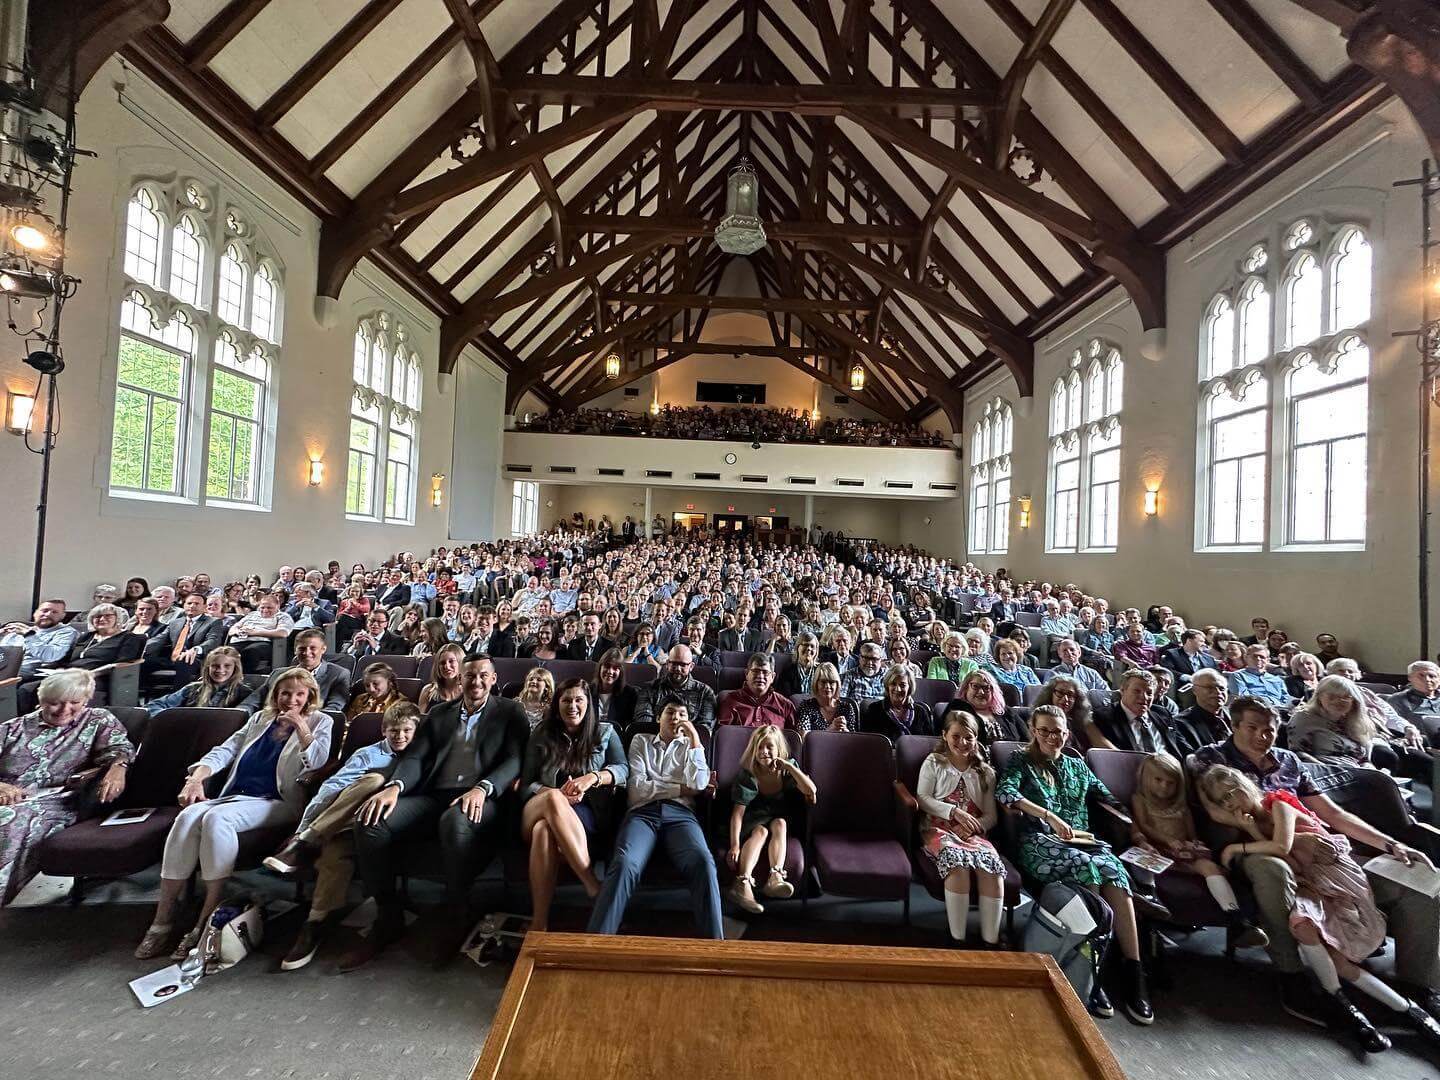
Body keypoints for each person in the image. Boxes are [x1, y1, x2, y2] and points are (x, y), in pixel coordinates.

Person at [1188, 697, 1440, 1024]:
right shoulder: (1212, 759)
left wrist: (1391, 845)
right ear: (1233, 725)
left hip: (1316, 853)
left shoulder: (1288, 762)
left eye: (1270, 729)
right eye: (1252, 728)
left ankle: (1417, 985)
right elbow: (1212, 810)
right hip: (1255, 848)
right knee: (1273, 867)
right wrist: (1246, 836)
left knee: (1417, 883)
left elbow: (1332, 813)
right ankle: (1291, 975)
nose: (1262, 736)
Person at [1200, 765, 1440, 1053]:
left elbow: (1281, 846)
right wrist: (1248, 829)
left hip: (1334, 874)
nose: (1232, 803)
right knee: (1305, 928)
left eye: (1233, 793)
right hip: (1309, 883)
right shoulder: (1251, 824)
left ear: (1246, 786)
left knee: (1340, 946)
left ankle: (1412, 1011)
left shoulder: (1278, 803)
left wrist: (1237, 848)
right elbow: (1290, 865)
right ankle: (1342, 1002)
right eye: (1224, 801)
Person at [345, 653, 528, 970]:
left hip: (483, 798)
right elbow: (415, 756)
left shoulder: (510, 712)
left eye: (484, 675)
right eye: (470, 676)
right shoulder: (438, 714)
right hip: (434, 795)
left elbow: (515, 760)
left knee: (454, 822)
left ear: (494, 679)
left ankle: (456, 912)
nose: (477, 682)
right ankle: (388, 916)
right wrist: (395, 786)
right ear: (461, 679)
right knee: (370, 819)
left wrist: (483, 788)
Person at [134, 668, 333, 960]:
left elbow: (317, 762)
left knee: (216, 819)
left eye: (299, 694)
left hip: (278, 801)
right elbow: (224, 751)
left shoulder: (320, 721)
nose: (291, 700)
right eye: (285, 693)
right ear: (275, 694)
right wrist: (196, 779)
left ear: (309, 697)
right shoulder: (259, 719)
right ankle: (162, 919)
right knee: (188, 817)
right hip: (238, 796)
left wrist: (302, 727)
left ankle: (206, 916)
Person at [996, 705, 1153, 1024]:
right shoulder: (1020, 761)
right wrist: (1047, 815)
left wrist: (1135, 827)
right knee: (1088, 869)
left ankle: (1133, 970)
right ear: (1033, 730)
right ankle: (1093, 969)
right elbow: (1006, 791)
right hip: (1040, 843)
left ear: (1067, 733)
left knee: (1114, 871)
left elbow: (1106, 797)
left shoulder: (1077, 766)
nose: (1053, 737)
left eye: (1059, 731)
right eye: (1045, 731)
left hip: (1082, 840)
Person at [264, 702, 422, 970]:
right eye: (394, 730)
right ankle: (315, 923)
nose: (400, 736)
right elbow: (332, 788)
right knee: (336, 852)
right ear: (384, 730)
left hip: (390, 822)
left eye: (407, 730)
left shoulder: (421, 755)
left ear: (416, 731)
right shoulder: (368, 754)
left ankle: (306, 844)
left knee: (376, 782)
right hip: (347, 822)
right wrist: (304, 827)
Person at [586, 700, 723, 939]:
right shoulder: (641, 740)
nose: (676, 718)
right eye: (670, 712)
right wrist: (680, 788)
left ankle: (716, 944)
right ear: (659, 717)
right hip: (642, 813)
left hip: (681, 816)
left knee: (704, 861)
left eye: (682, 714)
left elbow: (699, 784)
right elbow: (637, 789)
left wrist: (695, 740)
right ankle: (597, 939)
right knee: (625, 862)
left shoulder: (690, 747)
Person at [0, 669, 134, 905]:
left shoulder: (97, 720)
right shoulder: (12, 728)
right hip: (7, 794)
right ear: (41, 701)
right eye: (55, 703)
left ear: (87, 700)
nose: (64, 710)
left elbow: (120, 748)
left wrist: (118, 767)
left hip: (57, 801)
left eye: (75, 703)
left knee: (10, 820)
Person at [520, 679, 627, 930]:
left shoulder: (605, 732)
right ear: (557, 704)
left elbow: (623, 770)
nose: (572, 706)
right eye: (566, 700)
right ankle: (592, 885)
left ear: (588, 704)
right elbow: (526, 784)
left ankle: (539, 922)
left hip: (582, 820)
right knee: (553, 801)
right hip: (535, 808)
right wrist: (552, 793)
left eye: (579, 700)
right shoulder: (542, 733)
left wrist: (593, 778)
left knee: (543, 832)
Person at [1130, 753, 1266, 949]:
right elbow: (1144, 826)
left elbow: (1191, 832)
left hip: (1184, 852)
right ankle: (1151, 903)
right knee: (1143, 863)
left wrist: (1194, 843)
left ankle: (1237, 920)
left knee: (1210, 868)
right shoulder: (1140, 800)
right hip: (1159, 850)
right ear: (1145, 778)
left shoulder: (1182, 807)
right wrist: (1167, 840)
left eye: (1171, 783)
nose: (1164, 787)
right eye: (1158, 780)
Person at [917, 711, 1006, 947]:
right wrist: (953, 811)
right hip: (939, 828)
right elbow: (923, 798)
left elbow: (991, 815)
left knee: (992, 869)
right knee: (958, 866)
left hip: (971, 834)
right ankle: (957, 937)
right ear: (945, 735)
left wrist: (977, 827)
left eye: (969, 738)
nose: (962, 743)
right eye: (956, 736)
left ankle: (990, 940)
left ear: (976, 739)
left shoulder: (984, 772)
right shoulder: (934, 762)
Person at [725, 725, 816, 914]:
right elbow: (738, 813)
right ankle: (743, 883)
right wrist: (734, 845)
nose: (764, 752)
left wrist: (790, 767)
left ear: (778, 750)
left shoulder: (787, 768)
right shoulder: (748, 774)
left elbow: (811, 791)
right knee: (761, 832)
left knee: (780, 824)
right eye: (759, 747)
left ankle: (775, 877)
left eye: (769, 747)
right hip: (754, 818)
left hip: (778, 816)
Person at [16, 604, 144, 711]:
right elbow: (66, 659)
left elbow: (121, 664)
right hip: (68, 673)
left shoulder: (129, 638)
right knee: (25, 687)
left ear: (117, 619)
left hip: (97, 676)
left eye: (107, 616)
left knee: (47, 690)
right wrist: (48, 668)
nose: (101, 619)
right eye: (97, 616)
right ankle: (26, 722)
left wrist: (89, 674)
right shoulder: (86, 636)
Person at [1088, 670, 1199, 759]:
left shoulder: (1162, 713)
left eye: (1149, 693)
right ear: (1122, 690)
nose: (1144, 697)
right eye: (1137, 691)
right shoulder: (1105, 716)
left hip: (1174, 771)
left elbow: (1181, 744)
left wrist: (1194, 760)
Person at [239, 629, 349, 714]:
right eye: (302, 649)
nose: (307, 653)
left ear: (323, 649)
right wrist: (239, 714)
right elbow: (254, 700)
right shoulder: (278, 673)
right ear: (295, 650)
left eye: (313, 648)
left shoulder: (338, 674)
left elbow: (334, 708)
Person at [145, 645, 248, 715]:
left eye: (227, 666)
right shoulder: (193, 688)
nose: (221, 670)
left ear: (235, 668)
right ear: (208, 667)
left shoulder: (244, 692)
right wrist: (171, 720)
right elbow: (155, 705)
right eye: (215, 666)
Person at [633, 645, 717, 731]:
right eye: (674, 663)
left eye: (683, 665)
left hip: (690, 743)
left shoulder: (705, 693)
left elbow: (704, 730)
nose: (678, 668)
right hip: (653, 741)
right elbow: (644, 725)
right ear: (667, 664)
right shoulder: (649, 689)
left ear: (691, 666)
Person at [948, 670, 1028, 750]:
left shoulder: (1007, 712)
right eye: (975, 686)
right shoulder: (956, 709)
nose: (981, 692)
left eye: (986, 688)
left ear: (993, 691)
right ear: (966, 688)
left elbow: (1028, 740)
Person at [1, 600, 79, 680]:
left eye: (54, 612)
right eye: (45, 610)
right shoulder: (19, 630)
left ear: (62, 616)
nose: (48, 614)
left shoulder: (66, 632)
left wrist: (29, 635)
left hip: (29, 673)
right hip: (5, 669)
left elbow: (51, 656)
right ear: (35, 613)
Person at [717, 654, 796, 729]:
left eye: (765, 672)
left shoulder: (785, 705)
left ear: (772, 677)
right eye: (755, 671)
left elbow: (793, 739)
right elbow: (723, 736)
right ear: (747, 674)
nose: (760, 676)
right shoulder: (731, 700)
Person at [859, 665, 936, 739]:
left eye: (902, 685)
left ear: (910, 687)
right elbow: (868, 741)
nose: (897, 689)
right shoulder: (874, 710)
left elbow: (929, 742)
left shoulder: (921, 712)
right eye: (893, 684)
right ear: (887, 686)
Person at [794, 663, 859, 733]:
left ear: (837, 685)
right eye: (823, 682)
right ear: (816, 683)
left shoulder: (847, 708)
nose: (827, 686)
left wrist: (845, 730)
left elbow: (853, 740)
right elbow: (804, 739)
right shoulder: (806, 706)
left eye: (831, 682)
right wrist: (830, 729)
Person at [1178, 669, 1232, 745]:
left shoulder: (1235, 714)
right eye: (1210, 687)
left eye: (1222, 688)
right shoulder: (1181, 723)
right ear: (1194, 690)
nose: (1218, 692)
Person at [1389, 660, 1440, 740]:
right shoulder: (1397, 700)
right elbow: (1394, 727)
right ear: (1410, 678)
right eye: (1421, 675)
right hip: (1418, 743)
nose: (1427, 679)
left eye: (1432, 676)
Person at [592, 649, 639, 729]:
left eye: (615, 668)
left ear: (620, 672)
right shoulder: (587, 691)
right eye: (607, 666)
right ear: (600, 668)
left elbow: (629, 724)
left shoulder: (630, 693)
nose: (610, 671)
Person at [419, 642, 464, 712]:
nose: (447, 667)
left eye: (451, 661)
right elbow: (420, 720)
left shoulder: (467, 692)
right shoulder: (428, 691)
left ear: (460, 662)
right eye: (442, 663)